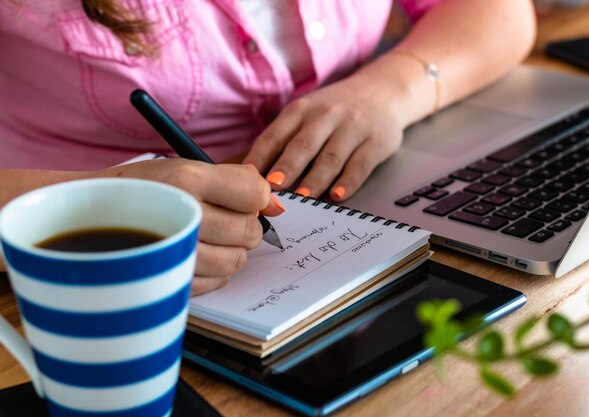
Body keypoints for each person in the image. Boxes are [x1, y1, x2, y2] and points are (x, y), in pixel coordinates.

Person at [0, 0, 537, 294]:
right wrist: (96, 207)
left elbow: (501, 12)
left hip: (375, 191)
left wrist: (389, 91)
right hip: (77, 285)